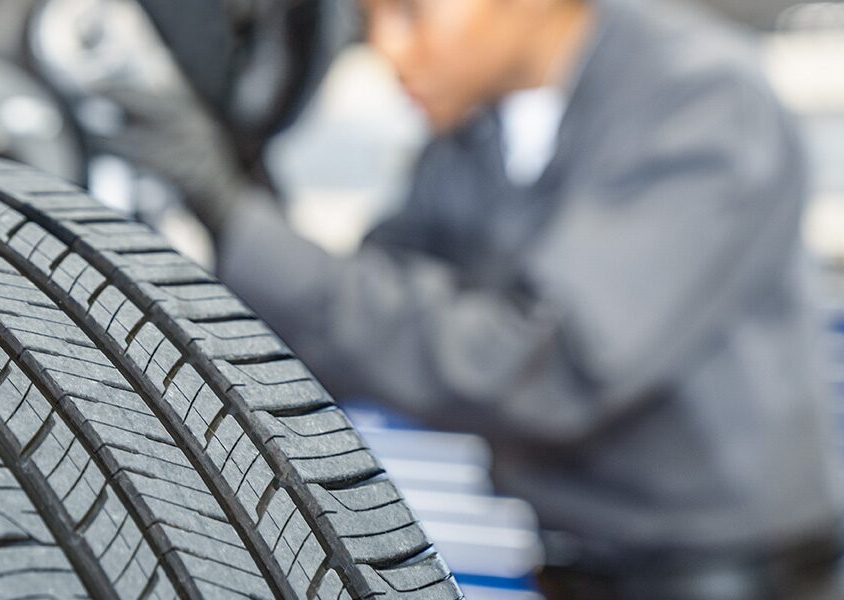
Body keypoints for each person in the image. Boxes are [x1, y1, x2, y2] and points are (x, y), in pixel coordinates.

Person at [97, 0, 844, 597]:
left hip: (722, 574)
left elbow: (545, 368)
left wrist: (235, 216)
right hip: (571, 560)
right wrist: (237, 191)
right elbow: (359, 315)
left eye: (414, 13)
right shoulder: (476, 127)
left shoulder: (701, 103)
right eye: (370, 20)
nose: (387, 50)